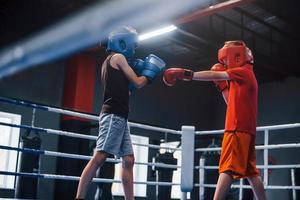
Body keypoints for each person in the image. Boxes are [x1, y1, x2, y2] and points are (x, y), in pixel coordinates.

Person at [163, 41, 266, 200]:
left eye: (225, 60)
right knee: (251, 173)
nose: (224, 64)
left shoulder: (243, 72)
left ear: (236, 56)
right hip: (246, 130)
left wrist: (187, 74)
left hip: (237, 129)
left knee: (227, 169)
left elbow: (214, 74)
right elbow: (230, 103)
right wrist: (223, 87)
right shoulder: (244, 77)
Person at [76, 27, 166, 200]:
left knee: (129, 160)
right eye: (133, 45)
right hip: (113, 115)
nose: (134, 49)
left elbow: (129, 90)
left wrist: (135, 81)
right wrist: (150, 73)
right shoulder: (118, 57)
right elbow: (139, 83)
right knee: (100, 156)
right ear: (124, 42)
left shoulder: (111, 61)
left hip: (120, 116)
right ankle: (79, 197)